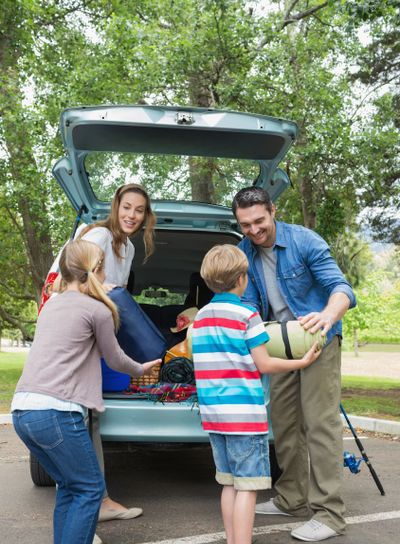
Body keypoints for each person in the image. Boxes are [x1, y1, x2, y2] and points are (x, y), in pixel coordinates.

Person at [11, 240, 161, 544]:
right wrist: (143, 369)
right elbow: (116, 358)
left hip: (23, 410)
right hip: (57, 413)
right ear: (97, 270)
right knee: (91, 489)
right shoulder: (97, 309)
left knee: (70, 487)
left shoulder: (51, 305)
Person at [232, 187, 356, 542]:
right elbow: (251, 308)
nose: (254, 230)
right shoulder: (245, 252)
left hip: (318, 339)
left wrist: (327, 316)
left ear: (272, 210)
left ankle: (329, 514)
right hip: (278, 344)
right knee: (285, 424)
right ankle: (291, 498)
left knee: (320, 424)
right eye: (245, 225)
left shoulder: (304, 241)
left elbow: (341, 288)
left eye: (259, 221)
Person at [191, 244, 321, 544]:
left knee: (228, 483)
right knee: (248, 486)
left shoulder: (201, 319)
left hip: (214, 417)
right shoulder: (247, 315)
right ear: (241, 279)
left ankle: (232, 539)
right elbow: (264, 362)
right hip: (244, 417)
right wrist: (300, 362)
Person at [76, 183, 157, 522]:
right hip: (83, 335)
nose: (131, 215)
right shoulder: (98, 238)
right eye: (127, 207)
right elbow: (73, 279)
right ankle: (96, 500)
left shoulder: (128, 248)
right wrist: (102, 288)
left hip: (103, 332)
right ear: (116, 206)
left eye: (139, 210)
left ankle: (98, 498)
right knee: (85, 417)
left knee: (92, 416)